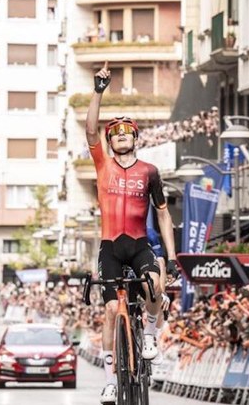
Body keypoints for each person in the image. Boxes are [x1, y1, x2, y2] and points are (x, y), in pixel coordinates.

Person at [86, 62, 178, 404]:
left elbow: (164, 214)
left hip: (139, 244)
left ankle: (150, 334)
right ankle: (110, 380)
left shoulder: (149, 171)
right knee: (111, 311)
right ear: (111, 141)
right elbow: (90, 131)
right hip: (110, 246)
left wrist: (170, 255)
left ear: (136, 139)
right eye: (117, 134)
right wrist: (99, 91)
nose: (122, 136)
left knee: (155, 282)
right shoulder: (102, 165)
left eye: (128, 133)